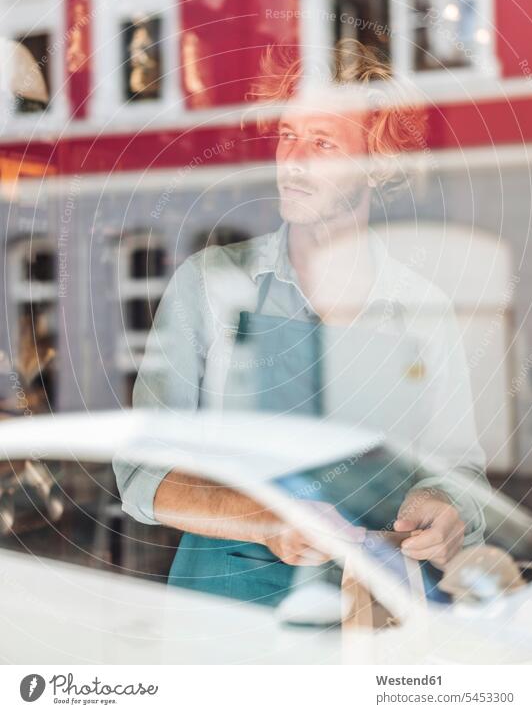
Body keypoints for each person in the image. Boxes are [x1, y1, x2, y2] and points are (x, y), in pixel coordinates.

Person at [113, 40, 486, 606]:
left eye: (322, 142)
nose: (293, 160)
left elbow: (461, 468)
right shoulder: (210, 284)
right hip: (226, 613)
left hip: (378, 609)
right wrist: (267, 519)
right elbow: (143, 473)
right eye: (288, 135)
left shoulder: (422, 306)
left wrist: (444, 506)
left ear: (376, 163)